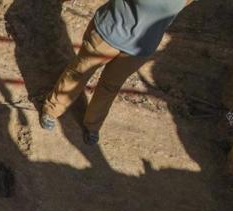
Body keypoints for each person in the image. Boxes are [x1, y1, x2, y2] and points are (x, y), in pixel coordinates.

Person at [38, 0, 192, 145]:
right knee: (79, 72)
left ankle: (93, 125)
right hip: (108, 33)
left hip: (139, 49)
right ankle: (52, 109)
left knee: (110, 86)